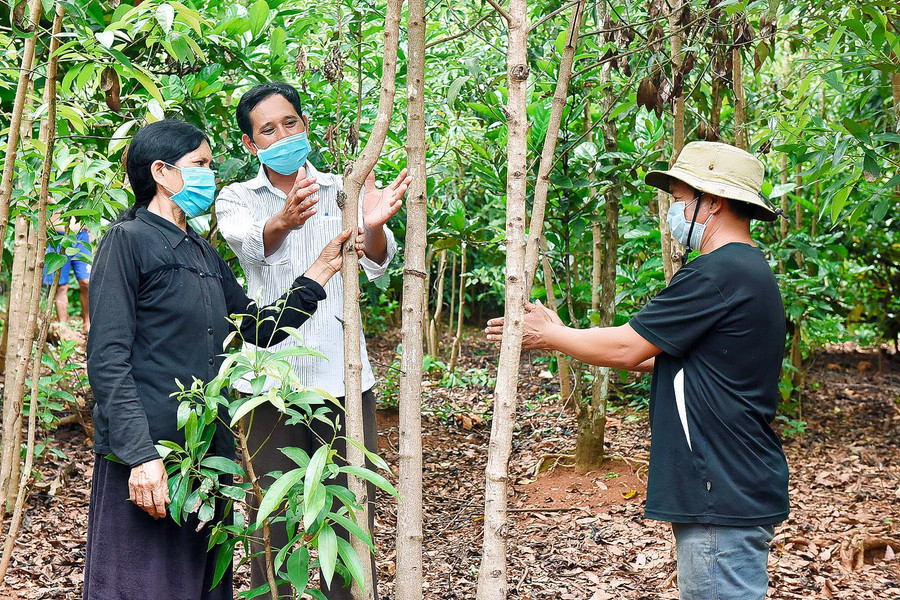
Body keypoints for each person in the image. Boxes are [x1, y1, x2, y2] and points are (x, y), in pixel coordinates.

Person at [485, 141, 790, 600]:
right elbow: (663, 355)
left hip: (720, 488)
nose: (675, 211)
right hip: (730, 482)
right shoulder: (746, 269)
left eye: (681, 199)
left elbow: (629, 346)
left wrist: (549, 336)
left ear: (715, 202)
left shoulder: (718, 272)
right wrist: (563, 331)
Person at [84, 119, 363, 600]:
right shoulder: (127, 241)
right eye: (201, 165)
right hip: (152, 450)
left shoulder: (201, 251)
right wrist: (140, 456)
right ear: (162, 172)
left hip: (207, 449)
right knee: (142, 583)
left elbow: (257, 327)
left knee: (198, 581)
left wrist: (319, 269)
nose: (210, 176)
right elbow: (107, 357)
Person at [215, 81, 410, 599]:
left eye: (291, 123)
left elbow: (377, 262)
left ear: (305, 126)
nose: (283, 134)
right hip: (268, 385)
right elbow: (253, 248)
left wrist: (368, 223)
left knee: (350, 514)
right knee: (270, 520)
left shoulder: (342, 188)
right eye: (267, 129)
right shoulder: (235, 198)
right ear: (250, 145)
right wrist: (281, 221)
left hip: (343, 378)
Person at [42, 217, 92, 332]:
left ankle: (88, 325)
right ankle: (63, 327)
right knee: (60, 285)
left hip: (80, 235)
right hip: (57, 235)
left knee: (87, 282)